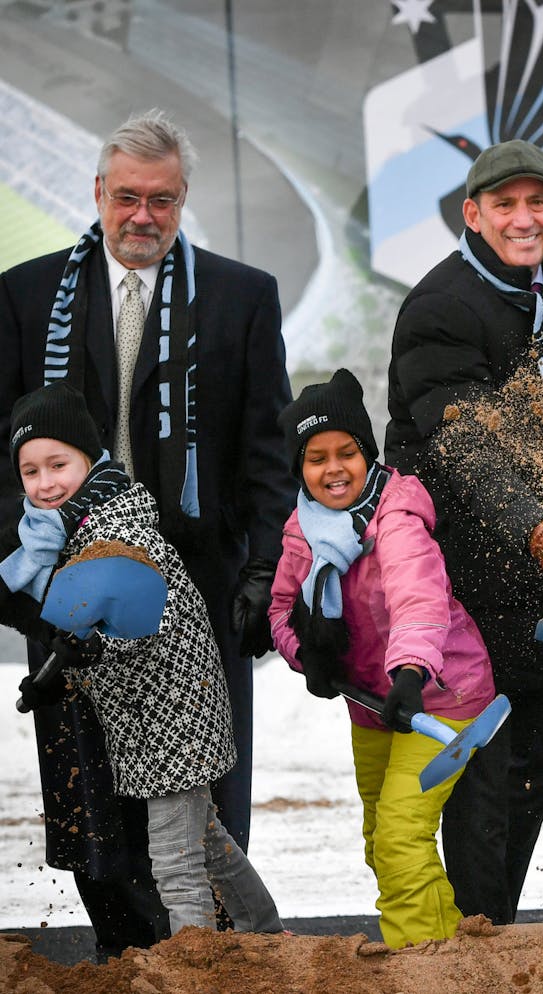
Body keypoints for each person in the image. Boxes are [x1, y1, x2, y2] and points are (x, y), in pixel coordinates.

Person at [0, 109, 293, 955]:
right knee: (93, 797)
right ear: (97, 193)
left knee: (201, 797)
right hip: (69, 593)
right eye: (126, 196)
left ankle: (222, 955)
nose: (142, 216)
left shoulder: (242, 297)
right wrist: (28, 592)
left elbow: (267, 453)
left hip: (199, 596)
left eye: (160, 200)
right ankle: (125, 957)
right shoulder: (25, 296)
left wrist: (261, 573)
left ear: (182, 199)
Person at [384, 139, 543, 924]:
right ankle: (474, 931)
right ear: (473, 214)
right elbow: (465, 446)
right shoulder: (440, 308)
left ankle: (487, 918)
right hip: (463, 562)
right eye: (505, 205)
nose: (523, 219)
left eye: (538, 203)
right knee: (492, 753)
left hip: (538, 566)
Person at [0, 382, 283, 938]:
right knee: (209, 843)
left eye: (58, 463)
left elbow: (145, 614)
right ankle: (267, 934)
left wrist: (96, 646)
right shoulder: (76, 530)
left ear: (90, 459)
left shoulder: (117, 529)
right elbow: (83, 623)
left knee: (176, 863)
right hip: (154, 718)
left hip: (173, 718)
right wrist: (57, 676)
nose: (45, 483)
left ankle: (194, 963)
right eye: (30, 471)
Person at [268, 369, 496, 948]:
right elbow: (280, 610)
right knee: (380, 837)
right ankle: (446, 951)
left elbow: (418, 597)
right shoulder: (304, 531)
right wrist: (307, 655)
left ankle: (420, 965)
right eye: (317, 458)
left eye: (348, 452)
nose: (334, 468)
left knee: (399, 835)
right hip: (372, 705)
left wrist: (412, 672)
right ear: (300, 468)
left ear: (368, 455)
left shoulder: (394, 519)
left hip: (439, 696)